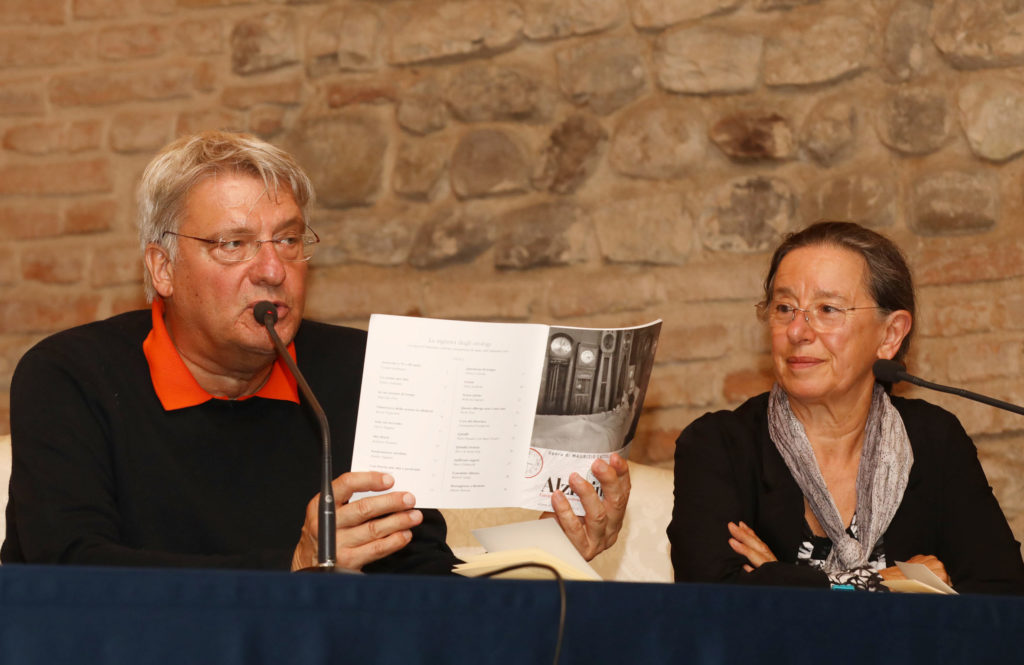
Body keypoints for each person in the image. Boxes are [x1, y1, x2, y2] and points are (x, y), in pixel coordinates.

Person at [2, 130, 630, 573]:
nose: (273, 269)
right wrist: (297, 564)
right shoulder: (70, 376)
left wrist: (549, 551)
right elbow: (71, 570)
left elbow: (417, 570)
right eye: (234, 244)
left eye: (290, 240)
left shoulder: (359, 371)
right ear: (162, 268)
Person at [669, 221, 1024, 593]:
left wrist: (780, 582)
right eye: (785, 307)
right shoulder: (719, 446)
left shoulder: (935, 441)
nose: (797, 331)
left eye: (827, 309)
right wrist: (878, 584)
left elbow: (1003, 595)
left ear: (889, 335)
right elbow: (712, 599)